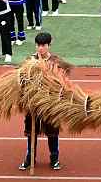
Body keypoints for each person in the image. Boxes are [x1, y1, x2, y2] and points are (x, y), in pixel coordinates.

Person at [20, 32, 72, 171]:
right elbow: (21, 78)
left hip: (50, 103)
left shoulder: (56, 61)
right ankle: (30, 157)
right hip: (33, 103)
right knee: (31, 132)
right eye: (38, 45)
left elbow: (63, 81)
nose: (40, 49)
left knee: (52, 131)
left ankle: (54, 158)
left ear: (49, 45)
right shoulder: (30, 60)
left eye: (43, 45)